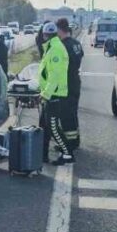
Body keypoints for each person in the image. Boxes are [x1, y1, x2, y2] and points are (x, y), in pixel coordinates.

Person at [38, 22, 73, 165]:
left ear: (45, 35)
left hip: (54, 95)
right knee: (44, 127)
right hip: (50, 93)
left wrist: (45, 94)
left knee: (53, 128)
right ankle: (42, 155)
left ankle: (67, 155)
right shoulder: (51, 47)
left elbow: (55, 75)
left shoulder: (55, 49)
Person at [56, 17, 84, 151]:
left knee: (66, 116)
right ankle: (75, 141)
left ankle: (69, 144)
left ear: (60, 30)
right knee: (73, 113)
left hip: (66, 83)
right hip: (75, 81)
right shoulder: (77, 43)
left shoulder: (63, 46)